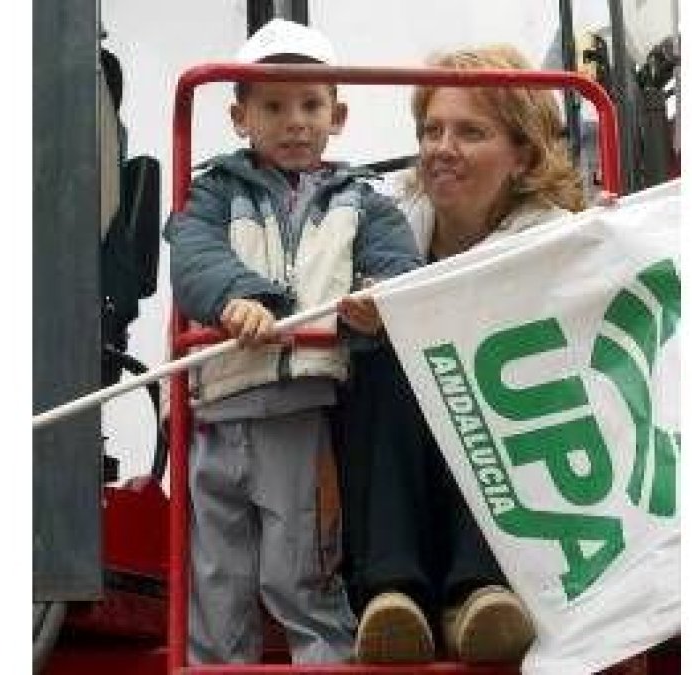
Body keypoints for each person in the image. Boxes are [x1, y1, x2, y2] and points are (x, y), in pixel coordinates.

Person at [164, 19, 423, 665]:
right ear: (239, 115)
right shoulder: (211, 193)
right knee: (217, 574)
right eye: (274, 107)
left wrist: (375, 301)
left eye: (311, 105)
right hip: (216, 411)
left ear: (336, 115)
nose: (295, 122)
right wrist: (238, 299)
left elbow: (398, 266)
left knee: (299, 566)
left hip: (298, 413)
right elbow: (192, 257)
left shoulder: (361, 202)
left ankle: (326, 658)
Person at [335, 44, 587, 665]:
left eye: (470, 132)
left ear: (523, 153)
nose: (441, 148)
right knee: (383, 356)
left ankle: (481, 592)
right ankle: (392, 596)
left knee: (483, 362)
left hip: (515, 489)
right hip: (403, 472)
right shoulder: (379, 223)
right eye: (431, 130)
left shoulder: (563, 242)